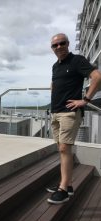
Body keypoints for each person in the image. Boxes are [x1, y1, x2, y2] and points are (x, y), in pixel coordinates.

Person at [46, 33, 101, 204]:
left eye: (61, 43)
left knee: (64, 148)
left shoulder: (77, 60)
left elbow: (97, 77)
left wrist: (84, 100)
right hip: (56, 111)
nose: (58, 47)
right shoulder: (56, 66)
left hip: (69, 113)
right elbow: (54, 84)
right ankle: (67, 184)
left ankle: (63, 189)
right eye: (55, 45)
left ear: (68, 44)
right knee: (62, 149)